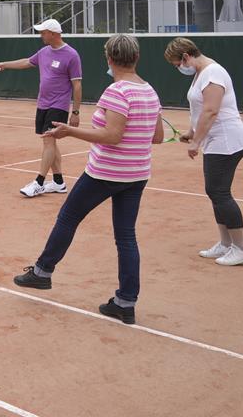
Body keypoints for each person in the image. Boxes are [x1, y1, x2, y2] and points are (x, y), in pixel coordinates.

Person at [12, 34, 163, 325]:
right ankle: (125, 302)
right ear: (136, 58)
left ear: (109, 58)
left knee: (68, 218)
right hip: (137, 174)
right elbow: (156, 137)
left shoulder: (116, 92)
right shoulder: (149, 91)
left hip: (107, 172)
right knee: (126, 236)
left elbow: (112, 136)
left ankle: (42, 272)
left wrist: (70, 131)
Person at [164, 37, 243, 266]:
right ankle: (226, 244)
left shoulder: (213, 73)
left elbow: (211, 110)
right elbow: (199, 110)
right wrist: (191, 131)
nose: (178, 68)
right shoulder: (201, 72)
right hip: (217, 140)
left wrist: (196, 141)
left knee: (219, 192)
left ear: (186, 56)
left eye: (177, 64)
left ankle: (242, 247)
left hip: (227, 140)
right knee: (215, 191)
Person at [0, 19, 82, 197]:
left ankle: (39, 182)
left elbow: (77, 85)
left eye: (43, 32)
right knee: (49, 141)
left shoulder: (72, 55)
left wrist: (76, 112)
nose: (41, 34)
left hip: (59, 105)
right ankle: (58, 182)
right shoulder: (44, 52)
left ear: (54, 33)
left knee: (48, 140)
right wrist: (4, 64)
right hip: (43, 104)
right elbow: (26, 62)